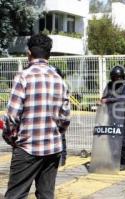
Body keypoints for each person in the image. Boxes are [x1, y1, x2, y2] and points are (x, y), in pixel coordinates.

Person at [3, 33, 71, 199]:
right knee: (46, 195)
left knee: (16, 195)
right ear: (49, 55)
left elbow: (11, 118)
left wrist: (13, 139)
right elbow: (65, 119)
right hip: (52, 149)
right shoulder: (59, 80)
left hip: (27, 147)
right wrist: (54, 135)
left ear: (29, 54)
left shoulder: (23, 77)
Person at [99, 65, 125, 171]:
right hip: (111, 116)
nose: (118, 80)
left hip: (123, 118)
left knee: (123, 140)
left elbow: (122, 99)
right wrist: (102, 102)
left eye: (119, 77)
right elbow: (104, 97)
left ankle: (124, 162)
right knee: (111, 139)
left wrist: (108, 100)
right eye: (115, 78)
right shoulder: (109, 86)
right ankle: (114, 160)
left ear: (123, 77)